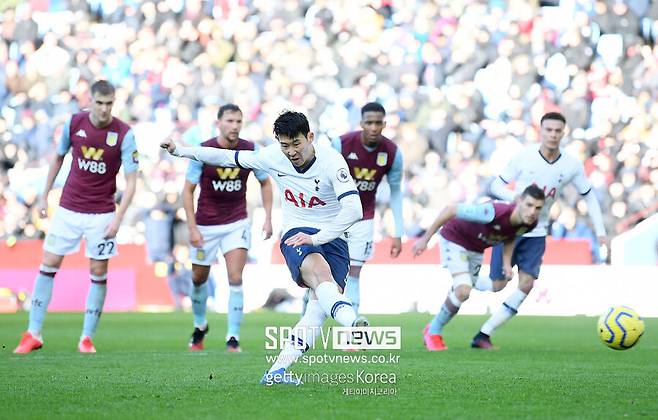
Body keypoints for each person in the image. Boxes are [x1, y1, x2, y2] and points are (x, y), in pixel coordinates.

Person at [161, 110, 366, 385]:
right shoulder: (272, 156)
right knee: (319, 274)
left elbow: (354, 209)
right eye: (285, 145)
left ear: (310, 137)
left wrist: (319, 238)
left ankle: (277, 371)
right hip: (297, 233)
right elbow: (224, 157)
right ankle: (353, 323)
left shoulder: (331, 161)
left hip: (333, 237)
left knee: (317, 312)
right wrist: (181, 151)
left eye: (296, 144)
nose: (291, 151)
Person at [14, 80, 139, 354]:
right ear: (90, 101)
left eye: (109, 104)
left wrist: (118, 217)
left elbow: (132, 180)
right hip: (69, 209)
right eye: (100, 103)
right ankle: (33, 332)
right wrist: (46, 194)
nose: (104, 109)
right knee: (48, 264)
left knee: (98, 271)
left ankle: (86, 338)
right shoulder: (74, 123)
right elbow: (57, 159)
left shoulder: (124, 134)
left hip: (102, 213)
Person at [470, 112, 607, 349]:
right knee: (497, 285)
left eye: (557, 131)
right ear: (541, 131)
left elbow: (589, 196)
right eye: (549, 130)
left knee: (526, 285)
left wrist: (601, 230)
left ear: (563, 133)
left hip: (538, 232)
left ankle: (484, 333)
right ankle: (467, 278)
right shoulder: (524, 157)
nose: (553, 135)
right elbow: (495, 185)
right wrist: (516, 198)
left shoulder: (571, 164)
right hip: (512, 228)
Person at [183, 103, 273, 352]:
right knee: (198, 278)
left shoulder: (249, 149)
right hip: (206, 224)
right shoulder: (204, 150)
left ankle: (232, 337)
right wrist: (192, 228)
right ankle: (200, 325)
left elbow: (265, 183)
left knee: (235, 277)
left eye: (238, 122)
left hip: (236, 222)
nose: (234, 126)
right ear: (219, 123)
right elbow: (188, 190)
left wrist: (267, 217)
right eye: (230, 121)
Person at [412, 185, 545, 351]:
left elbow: (511, 236)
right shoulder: (493, 212)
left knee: (467, 288)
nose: (532, 211)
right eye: (529, 205)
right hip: (454, 239)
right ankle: (433, 331)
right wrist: (424, 239)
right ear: (519, 201)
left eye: (538, 208)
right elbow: (451, 209)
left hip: (476, 249)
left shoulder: (530, 223)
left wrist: (506, 263)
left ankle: (435, 323)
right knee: (464, 290)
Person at [331, 102, 403, 315]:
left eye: (378, 123)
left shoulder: (392, 152)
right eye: (369, 122)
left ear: (385, 124)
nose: (373, 127)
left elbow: (396, 193)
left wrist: (398, 232)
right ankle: (304, 326)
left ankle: (351, 336)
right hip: (334, 216)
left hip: (364, 218)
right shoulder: (340, 144)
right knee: (319, 273)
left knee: (354, 273)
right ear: (361, 123)